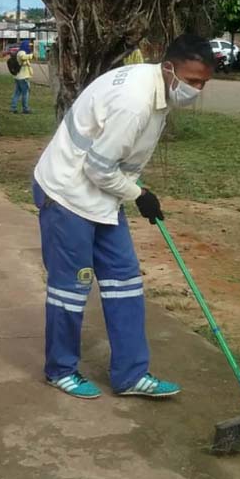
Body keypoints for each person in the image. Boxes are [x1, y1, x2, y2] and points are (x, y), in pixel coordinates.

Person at [32, 33, 215, 399]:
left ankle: (130, 375)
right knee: (72, 288)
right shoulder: (134, 102)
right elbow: (98, 168)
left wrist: (131, 186)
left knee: (125, 281)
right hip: (67, 194)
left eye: (203, 83)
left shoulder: (157, 87)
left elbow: (115, 157)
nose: (196, 89)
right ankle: (60, 369)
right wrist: (139, 195)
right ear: (169, 68)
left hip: (103, 198)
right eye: (192, 80)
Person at [11, 39, 34, 114]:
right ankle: (25, 108)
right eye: (28, 46)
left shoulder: (22, 52)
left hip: (19, 77)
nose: (30, 48)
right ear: (25, 46)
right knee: (25, 93)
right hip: (23, 77)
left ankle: (13, 108)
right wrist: (31, 55)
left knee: (17, 93)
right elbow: (23, 57)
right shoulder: (21, 52)